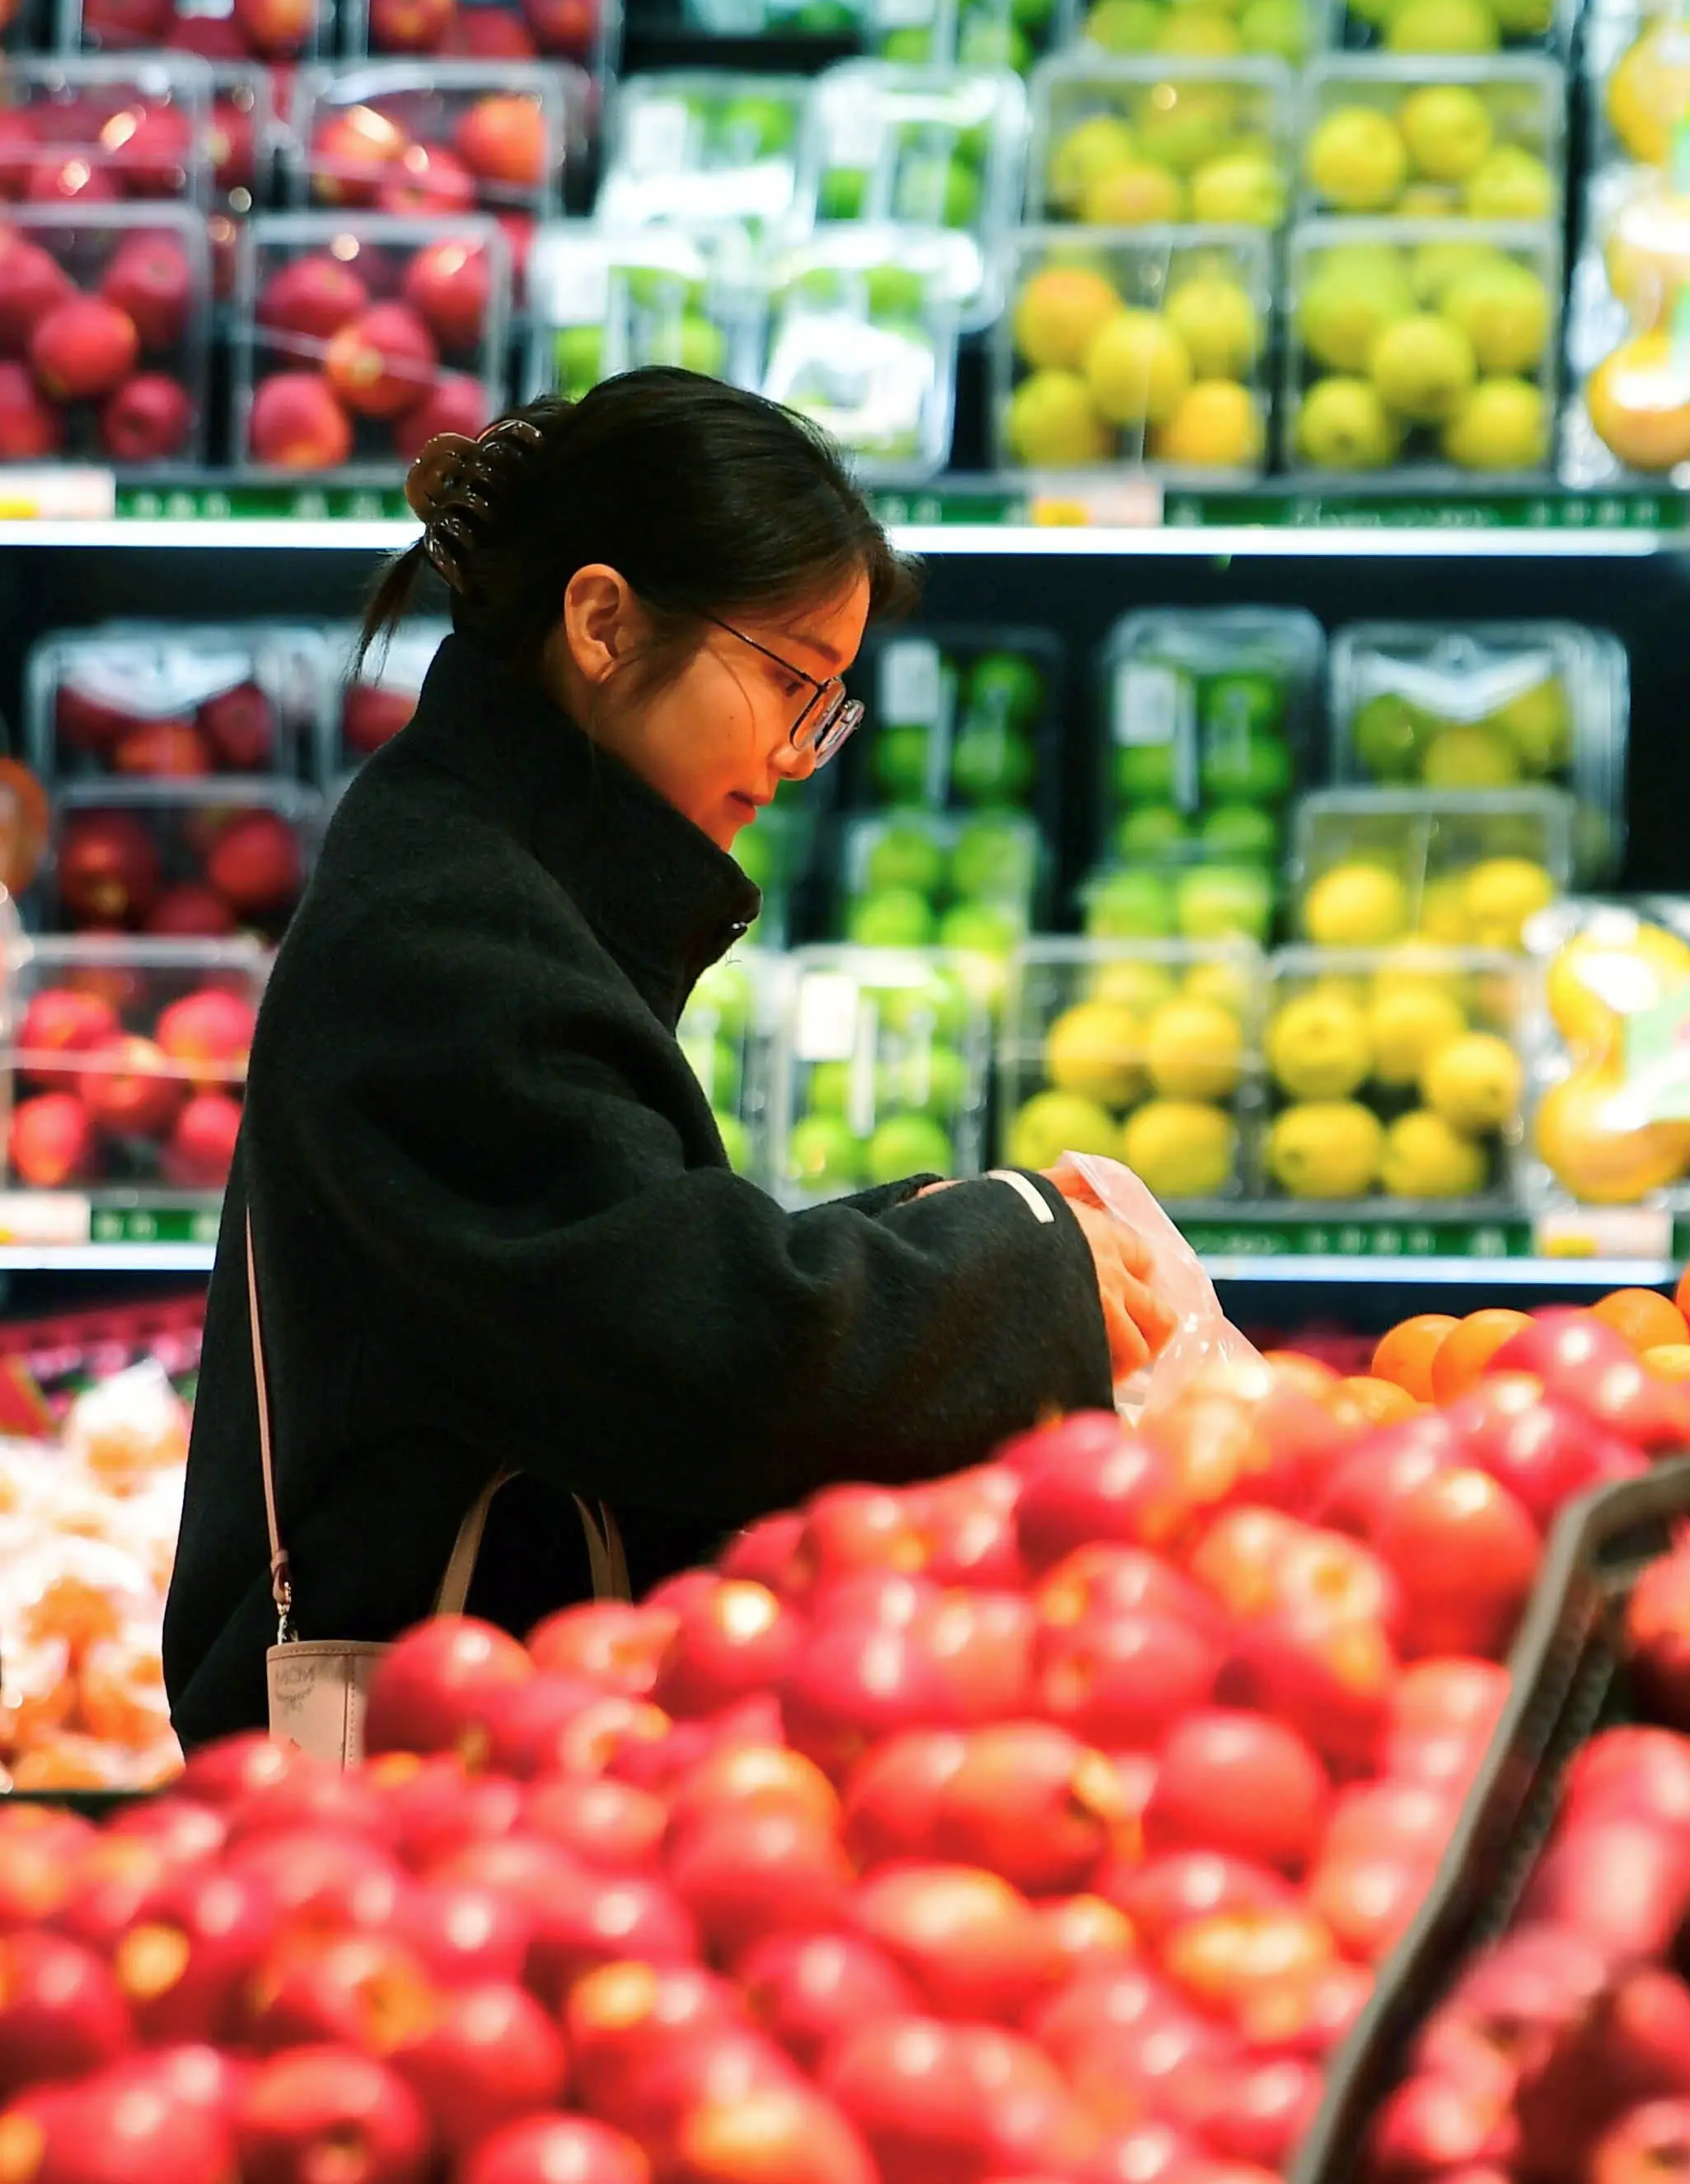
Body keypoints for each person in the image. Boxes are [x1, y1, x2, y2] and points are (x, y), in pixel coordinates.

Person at [166, 370, 1163, 1742]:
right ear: (601, 622)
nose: (801, 755)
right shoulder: (449, 940)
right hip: (413, 1749)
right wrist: (1023, 1251)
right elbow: (690, 1362)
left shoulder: (483, 866)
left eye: (829, 707)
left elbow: (601, 1264)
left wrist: (920, 1232)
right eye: (791, 683)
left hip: (488, 1712)